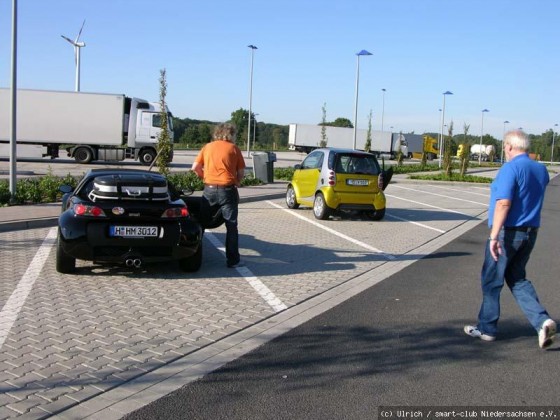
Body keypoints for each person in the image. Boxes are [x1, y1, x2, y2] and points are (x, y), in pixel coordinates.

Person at [464, 130, 556, 349]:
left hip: (508, 232)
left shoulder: (511, 168)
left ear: (510, 146)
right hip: (530, 232)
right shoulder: (541, 169)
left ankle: (486, 328)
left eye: (505, 146)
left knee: (491, 279)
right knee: (517, 278)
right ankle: (542, 321)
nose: (504, 150)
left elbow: (503, 203)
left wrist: (493, 236)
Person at [192, 123, 246, 268]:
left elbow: (195, 167)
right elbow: (241, 172)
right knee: (231, 225)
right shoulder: (234, 149)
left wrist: (205, 178)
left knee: (202, 223)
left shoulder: (207, 147)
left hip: (209, 189)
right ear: (230, 134)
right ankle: (233, 260)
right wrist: (238, 181)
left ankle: (194, 254)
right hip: (227, 190)